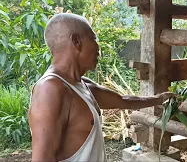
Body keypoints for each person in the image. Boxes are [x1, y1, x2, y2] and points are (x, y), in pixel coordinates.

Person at [28, 13, 174, 162]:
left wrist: (159, 99)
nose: (98, 47)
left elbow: (124, 100)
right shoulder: (50, 89)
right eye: (94, 39)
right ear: (76, 41)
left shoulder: (81, 84)